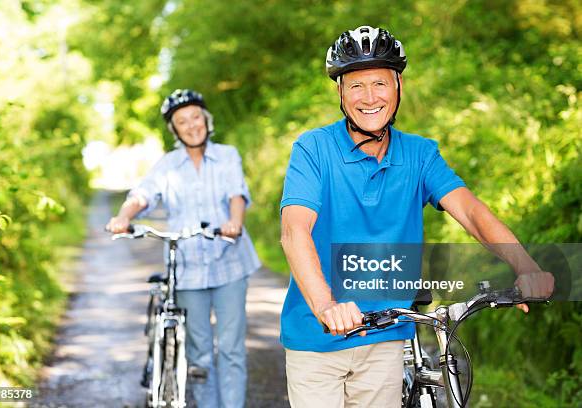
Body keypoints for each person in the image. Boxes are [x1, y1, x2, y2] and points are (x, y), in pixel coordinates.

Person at [279, 26, 554, 407]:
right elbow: (295, 231)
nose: (369, 97)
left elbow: (472, 213)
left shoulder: (420, 154)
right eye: (356, 85)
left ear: (398, 87)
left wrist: (525, 265)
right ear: (340, 92)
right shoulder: (314, 149)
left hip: (386, 337)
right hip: (316, 336)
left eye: (380, 83)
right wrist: (327, 306)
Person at [106, 89, 261, 408]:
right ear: (174, 129)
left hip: (230, 261)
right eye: (182, 121)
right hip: (187, 268)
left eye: (196, 117)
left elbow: (236, 193)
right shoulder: (167, 165)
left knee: (231, 348)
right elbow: (144, 194)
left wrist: (234, 221)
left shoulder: (227, 155)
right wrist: (123, 216)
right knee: (199, 351)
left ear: (206, 119)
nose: (192, 125)